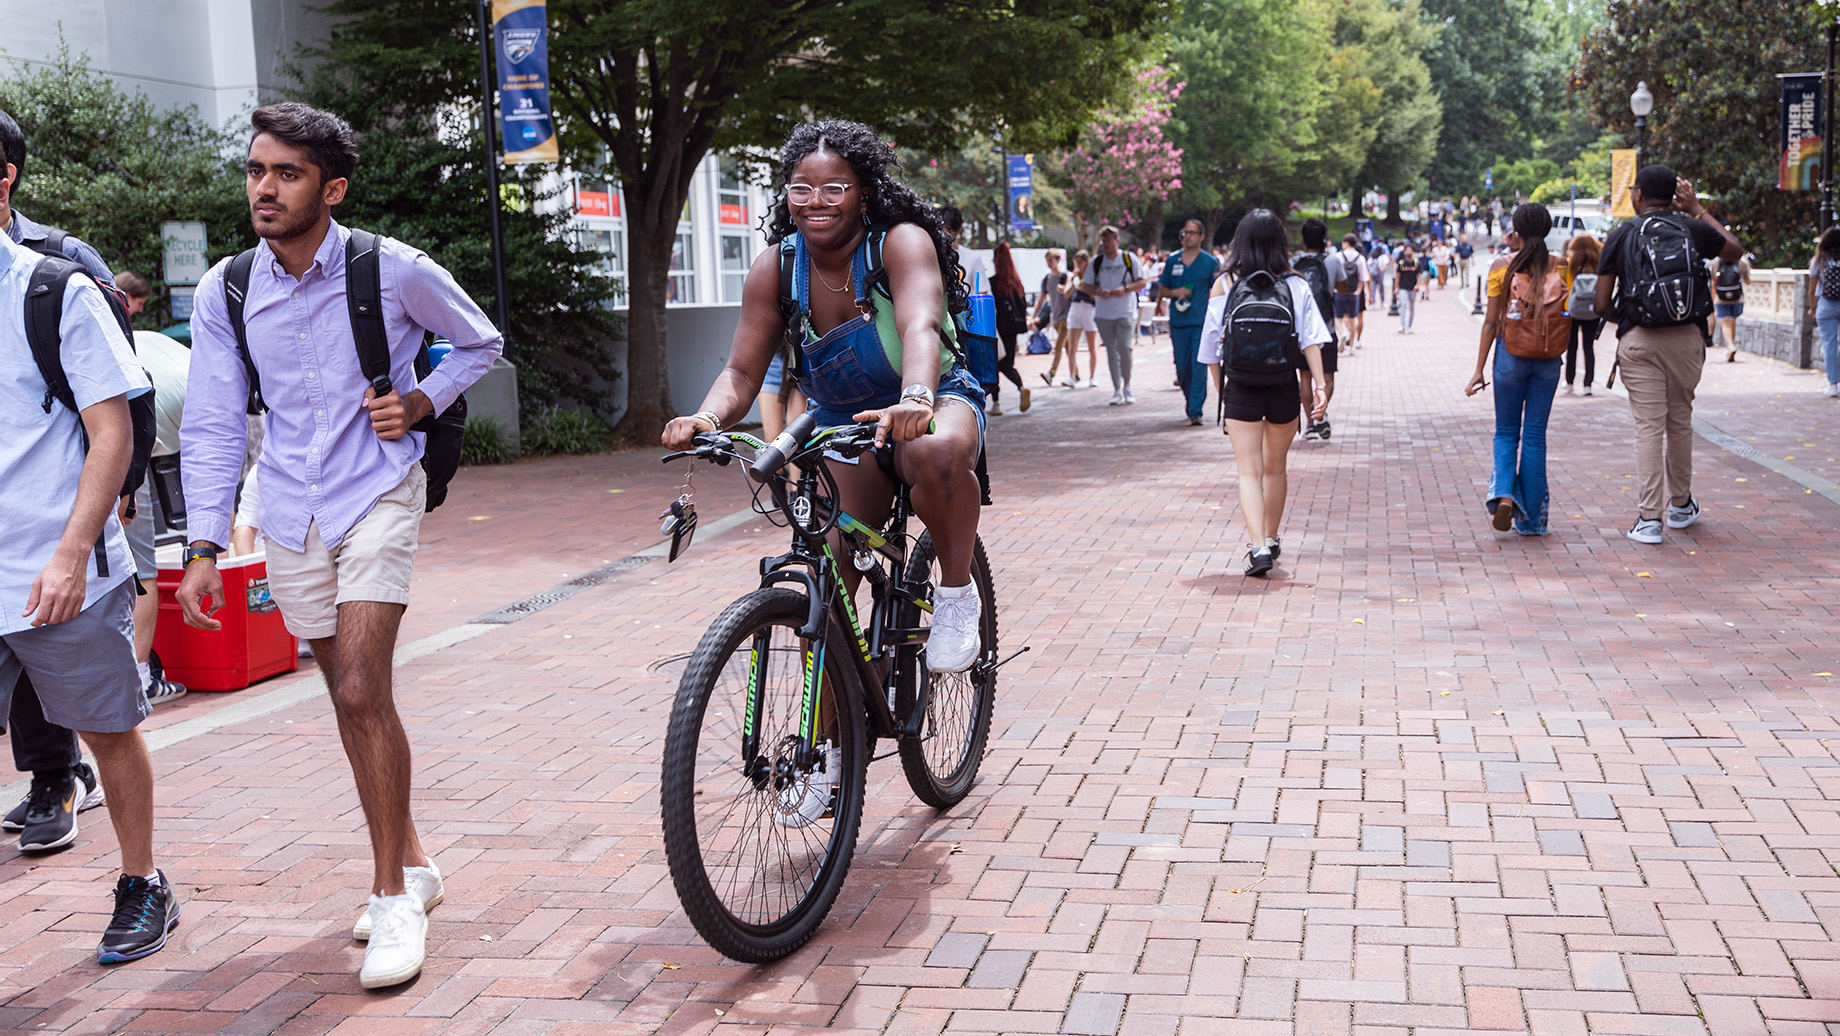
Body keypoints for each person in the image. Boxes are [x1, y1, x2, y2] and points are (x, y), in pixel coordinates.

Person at [178, 103, 504, 989]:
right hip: (289, 506)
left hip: (378, 489)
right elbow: (213, 422)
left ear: (333, 188)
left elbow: (479, 340)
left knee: (360, 686)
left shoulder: (391, 268)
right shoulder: (227, 290)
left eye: (286, 173)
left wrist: (422, 401)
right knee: (350, 695)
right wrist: (204, 543)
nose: (265, 188)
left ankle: (392, 897)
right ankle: (417, 862)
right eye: (257, 170)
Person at [661, 118, 987, 674]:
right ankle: (835, 730)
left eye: (835, 188)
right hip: (842, 425)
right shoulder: (778, 267)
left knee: (935, 451)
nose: (817, 201)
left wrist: (915, 397)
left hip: (932, 401)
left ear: (864, 193)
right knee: (828, 587)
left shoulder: (899, 243)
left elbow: (921, 326)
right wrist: (706, 417)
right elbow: (741, 371)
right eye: (802, 188)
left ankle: (957, 596)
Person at [0, 227, 180, 961]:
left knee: (106, 730)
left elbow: (112, 432)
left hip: (55, 565)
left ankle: (143, 882)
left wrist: (73, 551)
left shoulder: (54, 292)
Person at [0, 108, 113, 852]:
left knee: (47, 636)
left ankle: (55, 777)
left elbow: (116, 394)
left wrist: (117, 496)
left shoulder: (58, 264)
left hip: (58, 507)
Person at [1592, 164, 1743, 544]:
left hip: (1639, 341)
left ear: (1638, 195)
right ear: (1675, 196)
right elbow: (1735, 249)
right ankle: (1681, 506)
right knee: (1679, 421)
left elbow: (1599, 304)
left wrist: (1633, 318)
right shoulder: (1691, 228)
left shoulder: (1622, 234)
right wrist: (1697, 210)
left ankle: (1648, 520)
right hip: (1688, 339)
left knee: (1648, 427)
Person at [1199, 209, 1330, 577]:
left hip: (1241, 386)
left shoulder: (1225, 284)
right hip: (1282, 385)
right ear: (1279, 242)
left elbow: (1210, 347)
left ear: (1240, 241)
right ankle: (1271, 538)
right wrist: (1319, 386)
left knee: (1248, 472)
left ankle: (1257, 548)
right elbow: (1311, 340)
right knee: (1275, 469)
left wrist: (1222, 390)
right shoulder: (1295, 284)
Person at [1465, 204, 1570, 536]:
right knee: (1535, 436)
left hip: (1510, 356)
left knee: (1506, 432)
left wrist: (1479, 369)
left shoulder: (1502, 266)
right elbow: (1562, 313)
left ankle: (1505, 494)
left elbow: (1490, 322)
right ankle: (1532, 523)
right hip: (1548, 357)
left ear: (1517, 232)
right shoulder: (1561, 265)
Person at [126, 326, 192, 706]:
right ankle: (141, 680)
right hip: (118, 439)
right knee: (141, 567)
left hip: (73, 436)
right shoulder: (202, 386)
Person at [1158, 218, 1220, 426]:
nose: (1188, 236)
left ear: (1201, 237)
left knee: (1198, 366)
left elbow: (1218, 290)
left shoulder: (1210, 262)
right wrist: (1175, 292)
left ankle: (1196, 409)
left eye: (1193, 233)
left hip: (1201, 322)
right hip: (1179, 323)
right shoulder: (1172, 260)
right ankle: (1190, 400)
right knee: (1182, 367)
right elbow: (1163, 289)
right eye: (1185, 232)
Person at [1083, 225, 1146, 405]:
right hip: (1103, 314)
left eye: (1109, 240)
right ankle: (1117, 389)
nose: (1106, 244)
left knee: (1124, 348)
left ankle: (1127, 385)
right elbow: (1085, 285)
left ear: (1117, 241)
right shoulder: (1096, 262)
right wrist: (1098, 291)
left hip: (1125, 311)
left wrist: (1125, 289)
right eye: (1103, 241)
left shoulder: (1128, 259)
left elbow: (1142, 282)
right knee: (1111, 352)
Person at [1293, 219, 1341, 441]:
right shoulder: (1332, 261)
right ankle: (1319, 411)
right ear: (1324, 239)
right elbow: (1343, 286)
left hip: (1302, 328)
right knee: (1327, 377)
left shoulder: (1294, 262)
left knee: (1305, 376)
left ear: (1303, 239)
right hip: (1326, 327)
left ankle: (1311, 423)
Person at [988, 242, 1031, 415]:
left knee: (994, 366)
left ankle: (996, 404)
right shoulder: (1016, 283)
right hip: (1013, 329)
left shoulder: (993, 283)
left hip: (997, 330)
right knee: (1008, 364)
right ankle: (1021, 387)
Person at [1563, 235, 1603, 396]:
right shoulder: (1598, 264)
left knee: (1571, 347)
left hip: (1572, 309)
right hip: (1593, 309)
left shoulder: (1570, 264)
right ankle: (1588, 384)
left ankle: (1569, 382)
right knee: (1588, 346)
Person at [1036, 249, 1078, 388]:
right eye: (1047, 260)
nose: (1049, 263)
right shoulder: (1047, 279)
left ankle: (1051, 373)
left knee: (1059, 346)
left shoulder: (1066, 276)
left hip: (1066, 317)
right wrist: (1034, 316)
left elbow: (1071, 293)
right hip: (1054, 318)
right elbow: (1041, 299)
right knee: (1068, 347)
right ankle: (1076, 374)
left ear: (1058, 260)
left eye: (1051, 260)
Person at [1808, 227, 1840, 398]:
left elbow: (1812, 289)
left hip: (1826, 305)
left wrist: (1812, 307)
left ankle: (1833, 384)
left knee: (1829, 345)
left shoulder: (1819, 259)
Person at [1063, 250, 1100, 388]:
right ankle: (1071, 377)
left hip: (1089, 309)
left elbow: (1097, 296)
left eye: (1081, 262)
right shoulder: (1073, 277)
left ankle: (1092, 377)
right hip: (1075, 308)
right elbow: (1066, 294)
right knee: (1072, 346)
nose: (1078, 264)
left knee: (1092, 347)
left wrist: (1085, 288)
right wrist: (1073, 281)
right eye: (1076, 262)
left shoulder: (1092, 278)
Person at [938, 206, 989, 293]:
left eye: (950, 231)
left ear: (959, 230)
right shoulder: (932, 256)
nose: (946, 234)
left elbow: (982, 292)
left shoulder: (973, 257)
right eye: (943, 230)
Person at [1711, 252, 1751, 363]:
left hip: (1721, 297)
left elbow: (1713, 282)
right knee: (1733, 321)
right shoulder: (1742, 261)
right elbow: (1747, 281)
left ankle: (1730, 346)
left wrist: (1712, 299)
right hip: (1737, 297)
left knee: (1725, 322)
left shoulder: (1717, 261)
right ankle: (1731, 347)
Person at [1331, 234, 1364, 353]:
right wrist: (1358, 291)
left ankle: (1343, 332)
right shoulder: (1360, 258)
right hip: (1354, 293)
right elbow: (1362, 278)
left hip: (1339, 291)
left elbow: (1333, 275)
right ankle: (1352, 346)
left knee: (1338, 318)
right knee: (1353, 318)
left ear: (1345, 243)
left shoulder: (1338, 256)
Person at [1393, 245, 1421, 333]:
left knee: (1411, 307)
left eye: (1410, 250)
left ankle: (1409, 326)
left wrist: (1417, 285)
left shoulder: (1416, 263)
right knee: (1403, 305)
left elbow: (1419, 275)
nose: (1409, 252)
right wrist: (1396, 288)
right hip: (1403, 288)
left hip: (1412, 288)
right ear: (1404, 252)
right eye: (1407, 250)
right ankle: (1402, 325)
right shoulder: (1401, 263)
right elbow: (1398, 276)